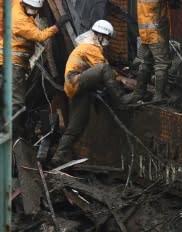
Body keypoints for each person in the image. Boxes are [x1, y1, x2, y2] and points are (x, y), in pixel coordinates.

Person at [50, 20, 126, 166]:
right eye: (107, 38)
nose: (108, 42)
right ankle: (121, 100)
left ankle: (59, 156)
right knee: (104, 69)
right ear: (100, 36)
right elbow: (103, 68)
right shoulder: (90, 47)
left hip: (78, 88)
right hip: (75, 81)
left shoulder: (90, 45)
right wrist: (121, 79)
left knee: (78, 124)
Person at [0, 0, 67, 113]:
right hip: (12, 63)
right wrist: (57, 26)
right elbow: (40, 36)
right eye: (33, 8)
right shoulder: (21, 21)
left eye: (37, 8)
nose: (36, 12)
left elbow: (33, 5)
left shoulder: (19, 7)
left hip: (3, 59)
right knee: (17, 102)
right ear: (24, 4)